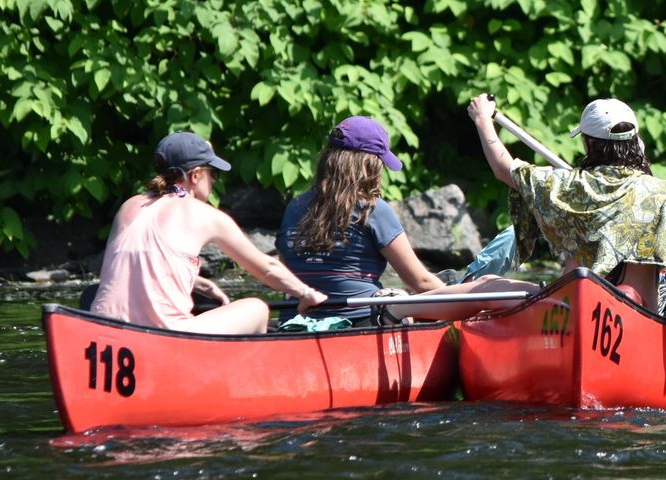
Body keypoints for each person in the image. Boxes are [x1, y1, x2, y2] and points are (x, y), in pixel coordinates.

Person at [466, 93, 666, 326]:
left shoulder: (570, 187)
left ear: (588, 144)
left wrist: (482, 119)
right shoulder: (665, 196)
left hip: (570, 308)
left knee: (487, 284)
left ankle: (430, 308)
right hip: (640, 315)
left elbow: (503, 167)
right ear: (635, 141)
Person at [277, 116, 531, 323]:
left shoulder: (294, 207)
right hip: (361, 319)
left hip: (296, 320)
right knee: (481, 284)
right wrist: (460, 304)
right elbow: (420, 282)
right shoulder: (372, 210)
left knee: (450, 281)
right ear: (368, 164)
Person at [90, 132, 328, 334]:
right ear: (195, 175)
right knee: (257, 308)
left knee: (91, 294)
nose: (213, 181)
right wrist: (307, 293)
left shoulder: (130, 206)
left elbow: (131, 261)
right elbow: (267, 268)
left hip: (103, 330)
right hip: (163, 336)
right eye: (213, 174)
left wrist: (194, 280)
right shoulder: (204, 215)